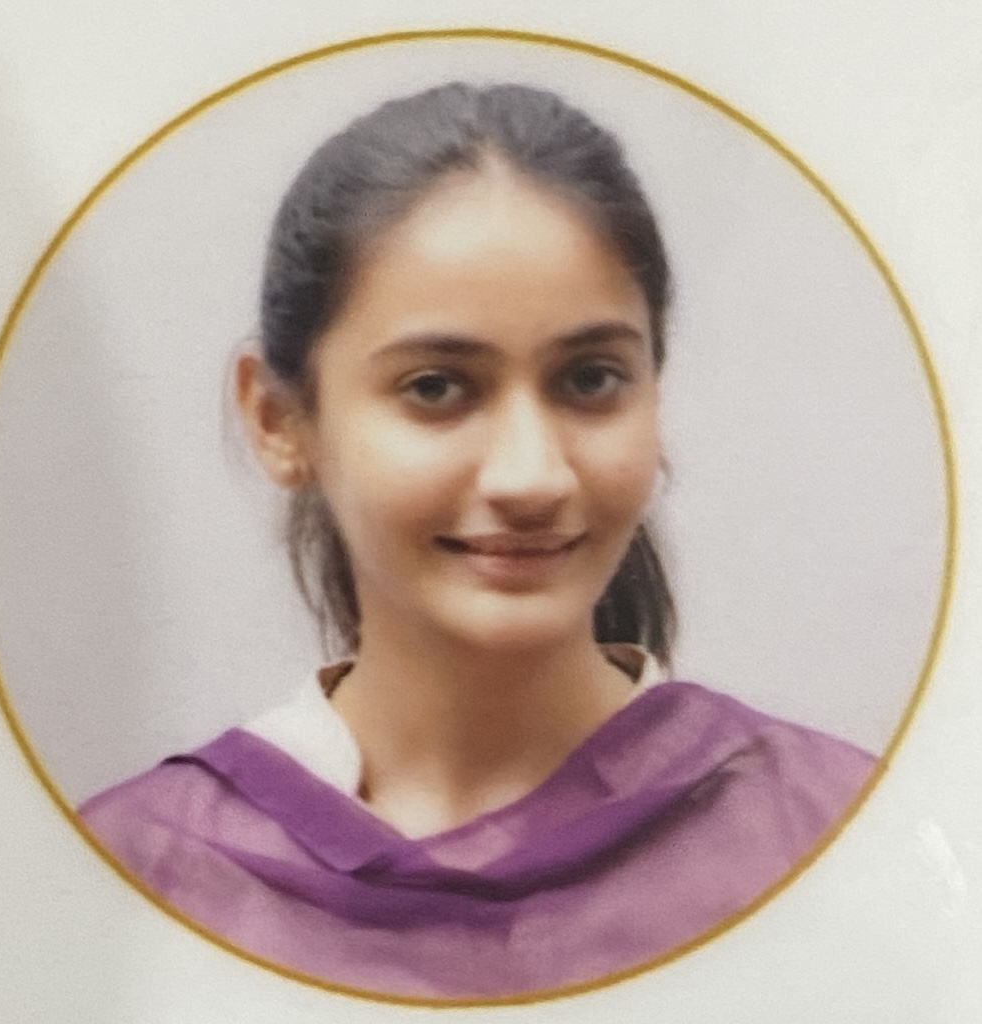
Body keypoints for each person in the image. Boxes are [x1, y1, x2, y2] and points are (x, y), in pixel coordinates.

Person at [79, 82, 875, 1000]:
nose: (531, 476)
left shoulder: (844, 841)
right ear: (277, 418)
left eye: (590, 379)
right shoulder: (123, 885)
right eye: (435, 387)